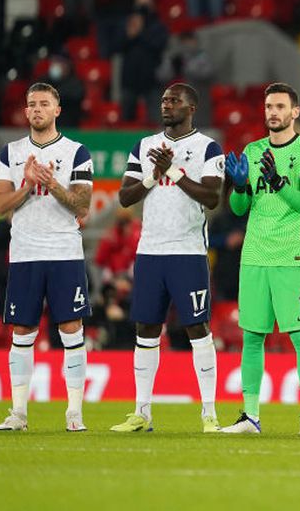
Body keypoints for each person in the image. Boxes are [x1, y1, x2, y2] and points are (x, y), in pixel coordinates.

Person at [109, 85, 223, 433]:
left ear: (192, 107)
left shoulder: (207, 147)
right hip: (150, 252)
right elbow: (125, 197)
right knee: (146, 328)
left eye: (174, 101)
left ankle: (209, 413)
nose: (166, 105)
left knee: (196, 328)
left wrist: (173, 172)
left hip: (187, 252)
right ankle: (142, 412)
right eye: (163, 101)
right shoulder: (144, 147)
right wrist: (152, 176)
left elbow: (212, 196)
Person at [219, 83, 300, 434]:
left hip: (290, 255)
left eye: (280, 106)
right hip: (254, 255)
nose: (273, 112)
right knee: (252, 337)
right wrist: (237, 187)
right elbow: (239, 209)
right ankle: (250, 416)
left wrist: (279, 182)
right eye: (269, 107)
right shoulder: (252, 150)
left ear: (295, 112)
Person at [0, 83, 94, 432]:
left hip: (64, 252)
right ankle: (18, 413)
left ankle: (74, 413)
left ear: (57, 110)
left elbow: (83, 205)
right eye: (31, 104)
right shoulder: (11, 152)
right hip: (24, 253)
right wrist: (26, 183)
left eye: (44, 104)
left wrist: (51, 184)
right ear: (25, 111)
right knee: (23, 330)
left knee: (71, 328)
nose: (36, 109)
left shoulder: (77, 152)